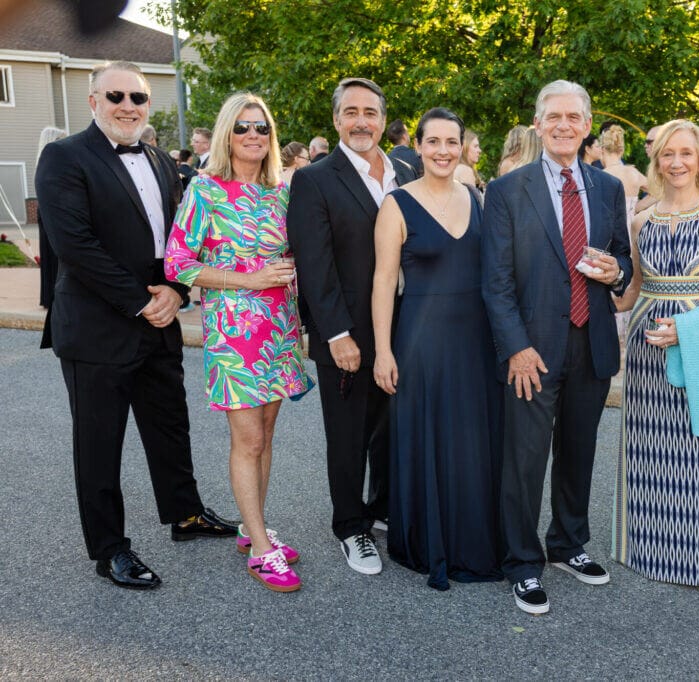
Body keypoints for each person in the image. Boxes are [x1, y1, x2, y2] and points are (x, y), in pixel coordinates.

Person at [35, 61, 237, 591]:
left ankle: (185, 514)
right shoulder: (64, 157)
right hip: (97, 326)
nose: (128, 106)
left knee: (170, 424)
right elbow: (74, 244)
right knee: (99, 443)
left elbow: (182, 238)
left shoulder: (159, 158)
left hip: (160, 316)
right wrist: (140, 302)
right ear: (93, 101)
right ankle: (110, 549)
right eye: (116, 96)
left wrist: (177, 291)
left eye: (139, 97)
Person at [482, 79, 632, 615]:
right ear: (538, 124)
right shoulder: (507, 190)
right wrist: (516, 348)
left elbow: (622, 259)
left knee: (579, 451)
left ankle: (568, 543)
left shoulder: (608, 187)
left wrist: (617, 273)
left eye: (574, 117)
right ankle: (522, 562)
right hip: (532, 350)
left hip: (592, 341)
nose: (564, 126)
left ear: (587, 125)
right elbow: (495, 281)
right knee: (524, 459)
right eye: (554, 117)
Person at [164, 93, 314, 592]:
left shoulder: (279, 192)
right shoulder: (206, 190)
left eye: (262, 127)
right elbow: (178, 263)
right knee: (248, 439)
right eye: (243, 127)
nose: (254, 135)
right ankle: (261, 550)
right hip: (234, 332)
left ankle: (254, 530)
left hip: (279, 328)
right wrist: (248, 280)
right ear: (227, 133)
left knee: (266, 435)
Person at [611, 119, 699, 611]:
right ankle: (654, 552)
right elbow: (633, 289)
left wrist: (687, 327)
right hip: (646, 340)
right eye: (668, 153)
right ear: (656, 160)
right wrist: (599, 287)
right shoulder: (641, 219)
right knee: (649, 448)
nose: (676, 162)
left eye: (686, 153)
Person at [288, 77, 417, 576]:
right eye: (351, 112)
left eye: (370, 112)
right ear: (337, 119)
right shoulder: (315, 180)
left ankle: (382, 509)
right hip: (346, 334)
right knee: (348, 437)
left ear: (383, 119)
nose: (361, 122)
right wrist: (337, 334)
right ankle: (349, 526)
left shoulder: (407, 170)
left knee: (392, 429)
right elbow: (314, 266)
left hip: (405, 327)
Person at [371, 107, 503, 590]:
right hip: (421, 342)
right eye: (433, 142)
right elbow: (383, 282)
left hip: (476, 342)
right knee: (428, 438)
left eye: (452, 142)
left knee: (472, 441)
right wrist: (383, 351)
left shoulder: (479, 198)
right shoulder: (396, 204)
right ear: (419, 146)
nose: (443, 151)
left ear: (462, 146)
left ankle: (473, 539)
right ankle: (429, 541)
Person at [36, 125, 67, 309]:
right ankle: (52, 295)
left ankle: (50, 295)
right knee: (53, 255)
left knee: (53, 256)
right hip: (52, 213)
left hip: (50, 211)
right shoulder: (52, 163)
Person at [599, 125, 647, 219]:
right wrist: (635, 208)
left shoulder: (599, 176)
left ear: (602, 150)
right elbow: (658, 192)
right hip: (631, 225)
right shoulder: (633, 173)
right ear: (622, 150)